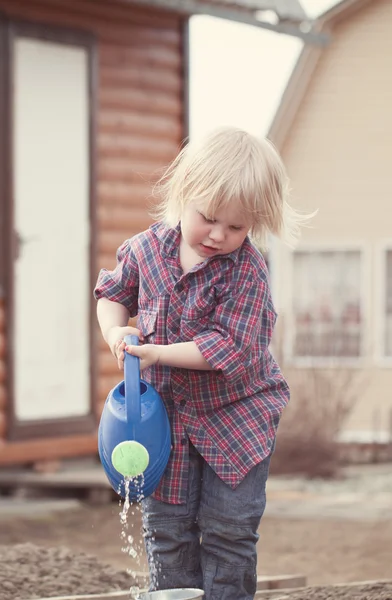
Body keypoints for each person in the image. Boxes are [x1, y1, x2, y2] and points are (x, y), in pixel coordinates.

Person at [93, 126, 314, 600]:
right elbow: (111, 294)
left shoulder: (247, 272)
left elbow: (227, 347)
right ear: (183, 194)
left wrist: (155, 353)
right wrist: (115, 331)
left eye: (237, 228)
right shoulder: (145, 251)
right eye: (209, 218)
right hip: (168, 421)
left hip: (237, 416)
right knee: (167, 530)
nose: (218, 235)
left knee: (228, 530)